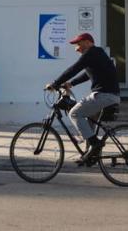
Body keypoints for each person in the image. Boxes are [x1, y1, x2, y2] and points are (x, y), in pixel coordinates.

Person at [45, 32, 120, 164]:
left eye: (79, 44)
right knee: (87, 119)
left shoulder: (92, 53)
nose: (77, 48)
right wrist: (71, 84)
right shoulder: (97, 54)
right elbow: (87, 74)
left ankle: (95, 145)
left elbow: (74, 68)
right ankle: (89, 156)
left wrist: (55, 83)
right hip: (110, 95)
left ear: (87, 42)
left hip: (103, 95)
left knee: (74, 113)